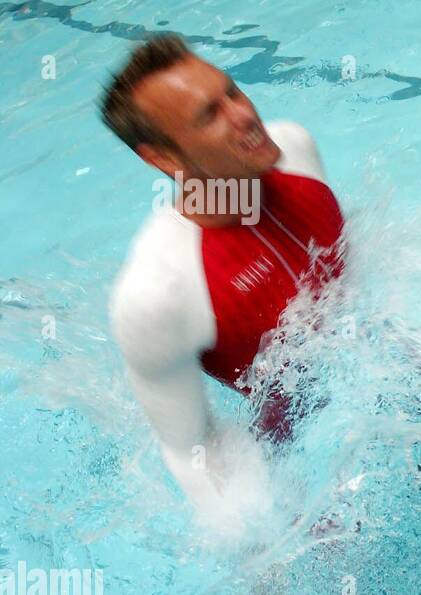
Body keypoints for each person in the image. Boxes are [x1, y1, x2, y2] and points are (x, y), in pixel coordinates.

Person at [104, 34, 348, 534]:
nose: (244, 116)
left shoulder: (296, 148)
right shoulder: (159, 295)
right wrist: (266, 545)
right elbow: (191, 451)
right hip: (303, 448)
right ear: (163, 159)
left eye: (233, 92)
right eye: (209, 115)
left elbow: (347, 277)